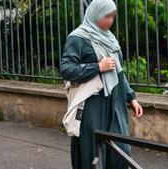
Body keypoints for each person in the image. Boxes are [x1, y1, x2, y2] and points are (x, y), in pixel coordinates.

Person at [60, 0, 143, 168]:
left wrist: (131, 98)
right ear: (95, 14)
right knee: (93, 151)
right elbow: (67, 70)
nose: (111, 20)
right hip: (93, 103)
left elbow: (118, 72)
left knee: (121, 150)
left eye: (113, 16)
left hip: (115, 102)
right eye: (107, 16)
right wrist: (98, 66)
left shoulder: (110, 38)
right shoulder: (78, 38)